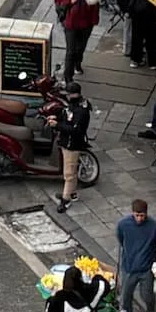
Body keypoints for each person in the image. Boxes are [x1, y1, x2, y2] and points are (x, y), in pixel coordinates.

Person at [117, 199, 156, 312]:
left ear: (146, 213)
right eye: (137, 215)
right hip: (129, 268)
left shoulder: (155, 227)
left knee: (147, 295)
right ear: (132, 213)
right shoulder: (123, 225)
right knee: (125, 297)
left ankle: (150, 310)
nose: (139, 218)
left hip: (146, 269)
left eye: (142, 215)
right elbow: (121, 239)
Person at [54, 0, 100, 83]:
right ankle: (68, 77)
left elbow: (95, 5)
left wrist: (94, 21)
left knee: (80, 48)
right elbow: (58, 1)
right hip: (71, 25)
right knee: (70, 51)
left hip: (85, 25)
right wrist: (69, 1)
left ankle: (77, 64)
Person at [53, 81, 94, 214]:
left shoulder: (81, 111)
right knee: (71, 170)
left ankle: (66, 201)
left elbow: (75, 130)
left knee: (69, 174)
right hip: (66, 142)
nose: (67, 97)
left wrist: (57, 126)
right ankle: (72, 193)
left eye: (68, 94)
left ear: (74, 95)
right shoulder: (73, 105)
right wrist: (57, 119)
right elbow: (67, 117)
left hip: (72, 144)